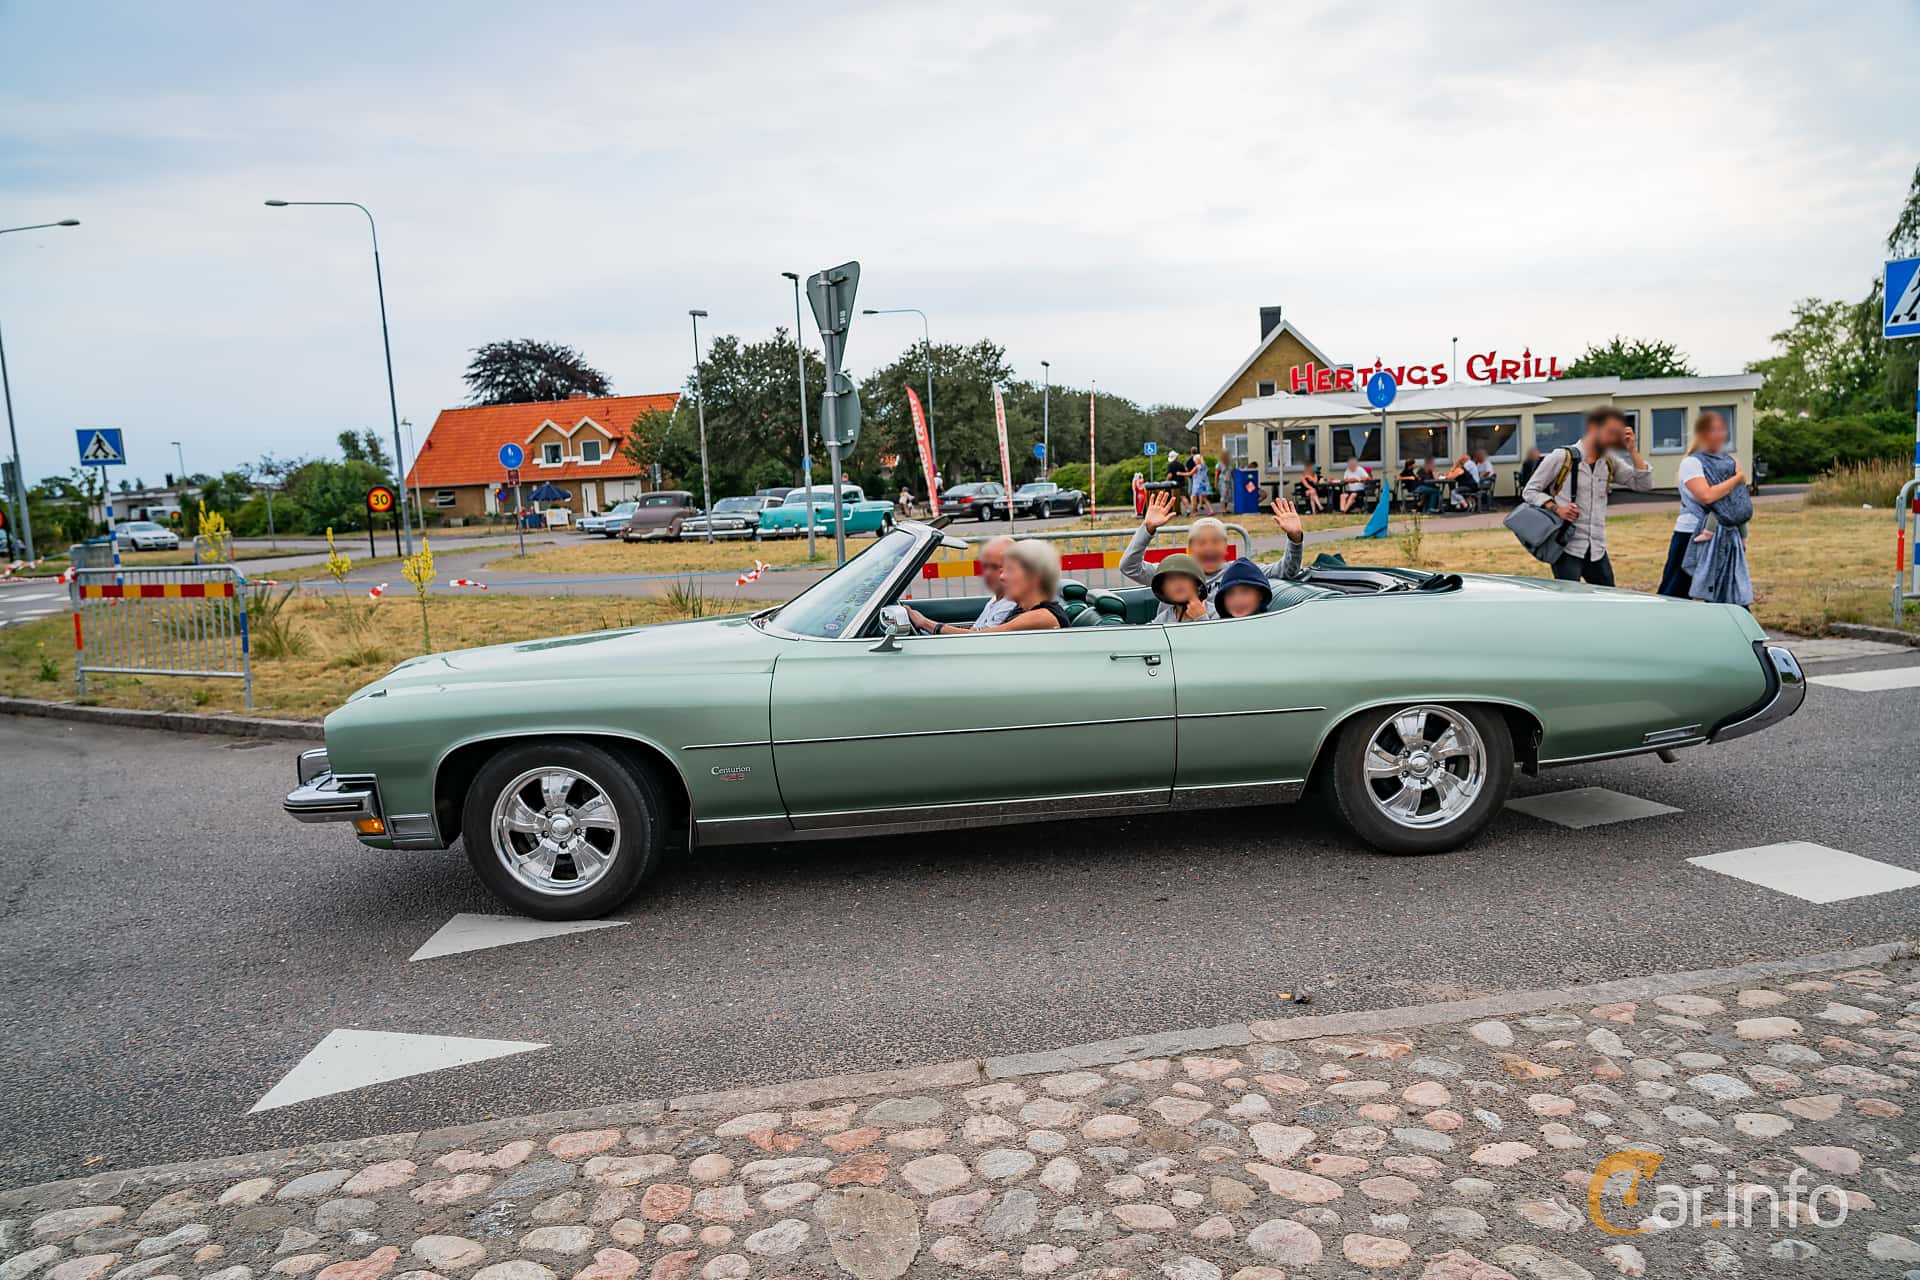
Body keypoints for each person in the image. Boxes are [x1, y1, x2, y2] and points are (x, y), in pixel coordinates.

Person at [1521, 405, 1653, 585]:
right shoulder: (1561, 457)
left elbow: (1643, 484)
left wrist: (1633, 451)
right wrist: (1556, 508)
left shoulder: (1608, 460)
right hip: (1566, 547)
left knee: (1607, 599)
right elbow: (1529, 491)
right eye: (1610, 432)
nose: (1613, 439)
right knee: (1571, 603)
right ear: (1593, 428)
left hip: (1597, 548)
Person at [1121, 490, 1307, 589]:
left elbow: (1287, 571)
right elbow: (1129, 567)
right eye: (1201, 542)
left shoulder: (1240, 572)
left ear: (1225, 548)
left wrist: (1295, 537)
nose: (1209, 547)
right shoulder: (1173, 572)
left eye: (1216, 541)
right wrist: (1147, 529)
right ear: (1191, 549)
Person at [1662, 411, 1751, 604]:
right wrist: (1737, 479)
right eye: (1713, 430)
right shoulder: (1692, 463)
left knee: (1729, 589)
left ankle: (1738, 630)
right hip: (1691, 534)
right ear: (1702, 434)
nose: (1719, 434)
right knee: (1676, 592)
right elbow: (1706, 495)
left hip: (1725, 534)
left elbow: (1738, 498)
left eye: (1721, 429)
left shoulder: (1729, 460)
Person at [907, 538, 1068, 633]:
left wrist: (925, 623)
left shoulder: (1041, 616)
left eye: (1010, 570)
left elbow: (981, 638)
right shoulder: (1023, 610)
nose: (1002, 577)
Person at [968, 535, 1018, 629]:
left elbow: (978, 637)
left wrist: (936, 627)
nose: (987, 573)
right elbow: (974, 630)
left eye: (995, 567)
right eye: (985, 567)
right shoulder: (995, 599)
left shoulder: (1010, 604)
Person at [1149, 553, 1212, 623]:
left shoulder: (1215, 613)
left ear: (1197, 583)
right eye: (1171, 579)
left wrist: (1201, 617)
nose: (1177, 583)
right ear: (1164, 590)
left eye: (1183, 577)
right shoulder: (1162, 620)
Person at [1188, 450, 1215, 516]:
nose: (1194, 461)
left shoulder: (1197, 467)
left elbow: (1189, 473)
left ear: (1197, 460)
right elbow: (1207, 474)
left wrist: (1180, 473)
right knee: (1205, 498)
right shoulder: (1205, 466)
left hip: (1197, 484)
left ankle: (1194, 512)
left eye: (1195, 460)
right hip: (1204, 484)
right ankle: (1211, 510)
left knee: (1193, 497)